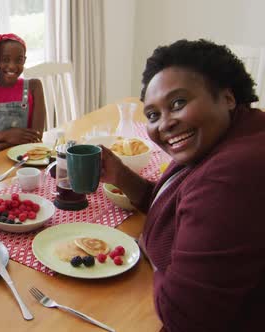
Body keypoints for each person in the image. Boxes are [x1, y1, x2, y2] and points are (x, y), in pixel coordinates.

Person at [101, 39, 265, 331]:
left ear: (227, 97)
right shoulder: (228, 134)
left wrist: (152, 254)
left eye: (178, 103)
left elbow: (183, 315)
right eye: (152, 115)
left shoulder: (231, 175)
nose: (164, 124)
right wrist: (120, 175)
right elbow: (174, 201)